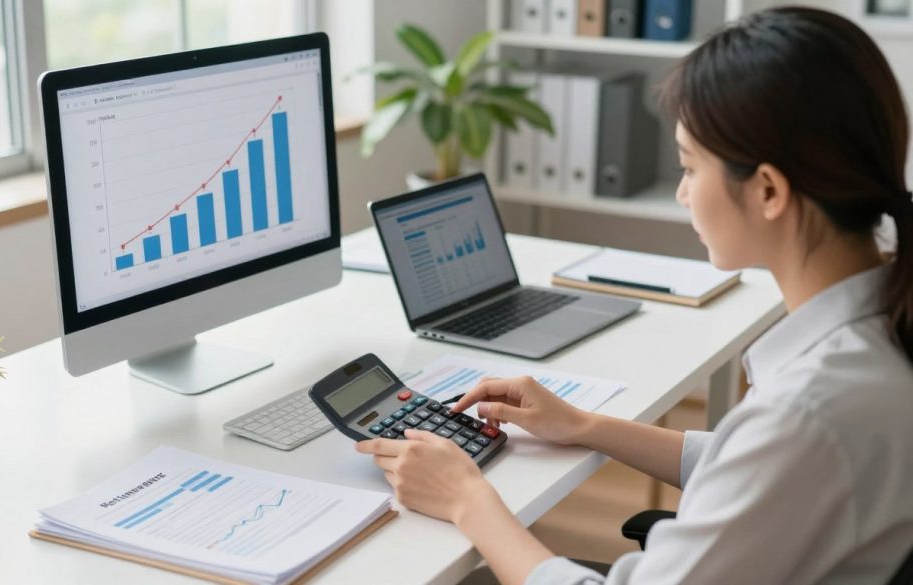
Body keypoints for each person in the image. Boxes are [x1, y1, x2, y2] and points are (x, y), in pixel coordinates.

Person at [356, 6, 913, 584]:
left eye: (690, 168)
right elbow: (760, 470)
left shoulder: (812, 413)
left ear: (768, 190)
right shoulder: (876, 339)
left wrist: (466, 499)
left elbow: (780, 454)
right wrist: (586, 427)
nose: (681, 194)